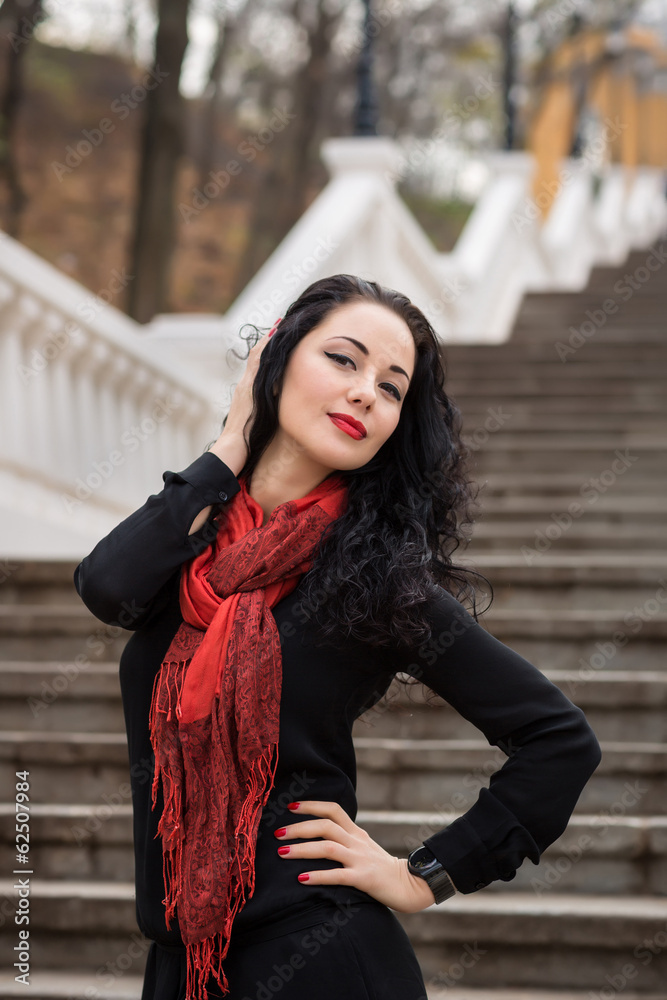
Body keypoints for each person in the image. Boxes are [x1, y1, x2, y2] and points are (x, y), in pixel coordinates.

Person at [73, 273, 602, 1000]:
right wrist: (231, 443)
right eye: (344, 360)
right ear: (276, 360)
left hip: (320, 954)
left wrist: (425, 876)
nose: (364, 394)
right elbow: (107, 586)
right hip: (184, 965)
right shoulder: (187, 547)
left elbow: (559, 740)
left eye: (390, 388)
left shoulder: (379, 580)